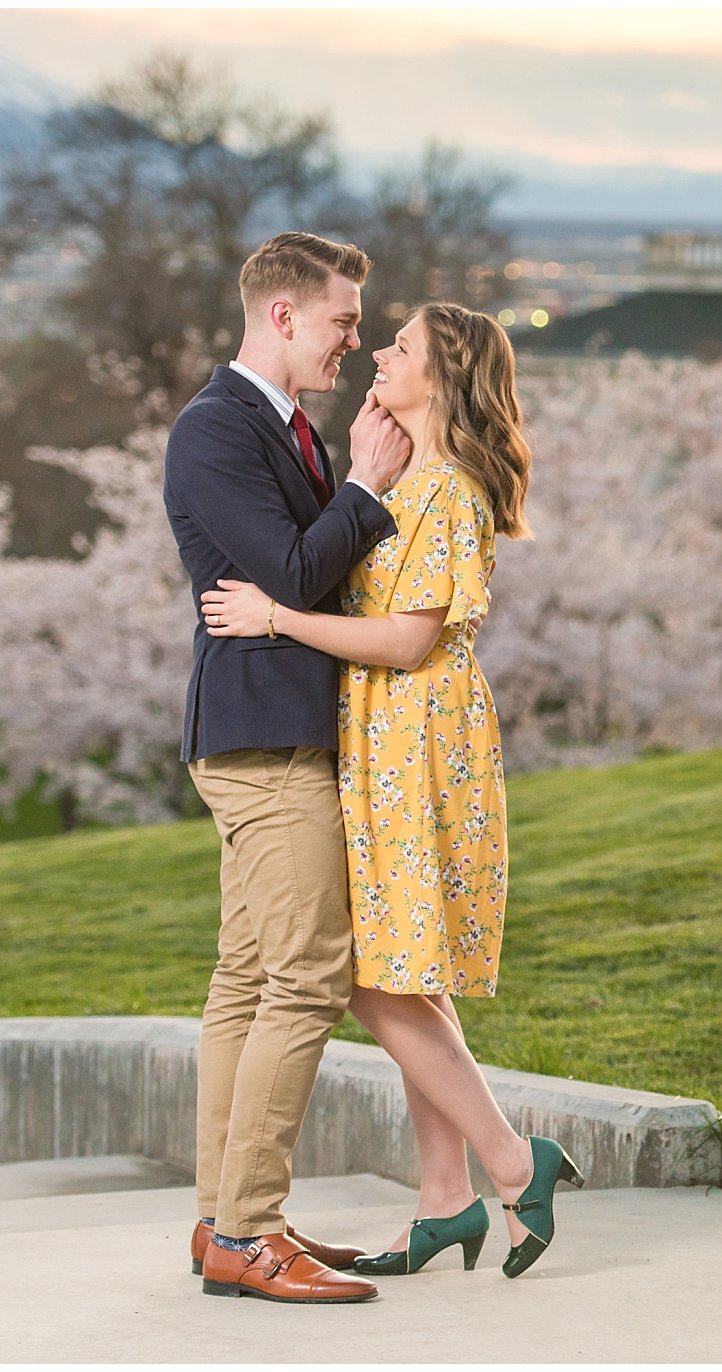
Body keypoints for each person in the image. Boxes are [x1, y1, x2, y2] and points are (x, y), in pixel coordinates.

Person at [201, 302, 582, 1280]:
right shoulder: (405, 475)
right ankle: (444, 1197)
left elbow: (409, 640)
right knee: (404, 970)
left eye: (400, 345)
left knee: (376, 977)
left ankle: (508, 1157)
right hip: (380, 736)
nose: (377, 352)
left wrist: (273, 616)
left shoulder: (446, 490)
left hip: (416, 741)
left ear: (443, 379)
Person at [163, 231, 414, 1305]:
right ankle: (248, 1231)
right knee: (308, 974)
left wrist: (344, 477)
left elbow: (302, 583)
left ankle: (226, 1219)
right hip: (260, 741)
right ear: (280, 315)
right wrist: (364, 481)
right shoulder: (214, 432)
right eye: (342, 321)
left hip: (275, 728)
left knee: (250, 979)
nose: (354, 343)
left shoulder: (290, 428)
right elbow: (301, 572)